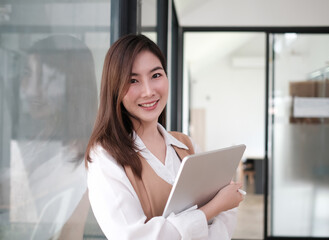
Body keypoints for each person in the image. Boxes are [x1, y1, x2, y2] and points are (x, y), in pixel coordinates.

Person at [85, 34, 244, 240]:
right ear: (115, 88)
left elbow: (227, 213)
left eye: (156, 75)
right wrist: (213, 208)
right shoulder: (105, 157)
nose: (149, 91)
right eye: (133, 80)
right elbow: (133, 237)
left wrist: (220, 208)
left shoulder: (186, 145)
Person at [9, 35, 97, 239]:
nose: (31, 90)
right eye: (28, 73)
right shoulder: (44, 139)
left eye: (47, 78)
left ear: (72, 85)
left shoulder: (79, 158)